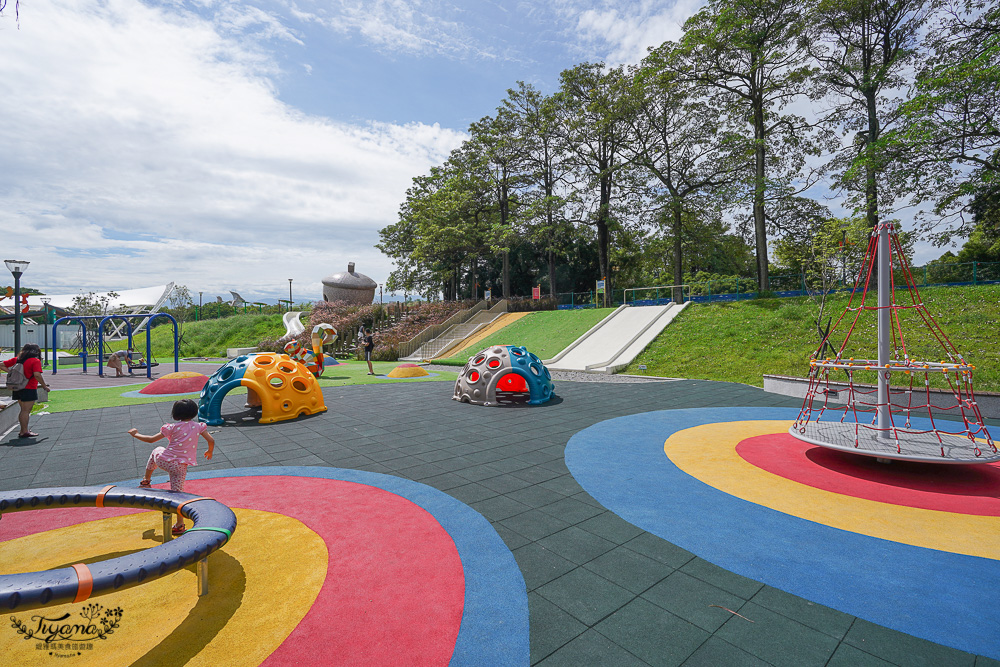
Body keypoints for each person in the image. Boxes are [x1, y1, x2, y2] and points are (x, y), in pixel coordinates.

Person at [128, 399, 215, 535]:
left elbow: (151, 439)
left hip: (166, 461)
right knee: (177, 495)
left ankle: (146, 481)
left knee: (156, 449)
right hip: (181, 467)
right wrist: (209, 451)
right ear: (194, 413)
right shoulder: (199, 426)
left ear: (175, 413)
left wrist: (135, 434)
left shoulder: (172, 427)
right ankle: (180, 524)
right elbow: (211, 440)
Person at [3, 343, 51, 439]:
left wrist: (12, 373)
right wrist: (44, 386)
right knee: (26, 411)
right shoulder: (35, 361)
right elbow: (37, 374)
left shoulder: (18, 359)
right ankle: (24, 431)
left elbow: (1, 365)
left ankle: (23, 430)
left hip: (18, 387)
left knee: (23, 410)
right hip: (29, 388)